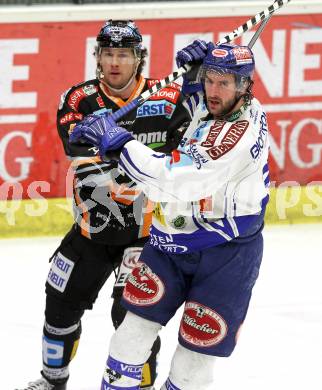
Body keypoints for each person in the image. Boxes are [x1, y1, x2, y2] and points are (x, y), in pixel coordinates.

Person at [69, 39, 270, 389]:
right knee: (129, 337)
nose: (213, 90)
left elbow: (176, 180)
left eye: (224, 82)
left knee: (193, 364)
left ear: (245, 87)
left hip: (225, 253)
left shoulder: (239, 132)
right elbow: (194, 117)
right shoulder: (219, 103)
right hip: (169, 243)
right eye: (210, 78)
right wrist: (192, 79)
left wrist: (118, 141)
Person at [15, 20, 191, 390]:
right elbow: (76, 147)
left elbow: (187, 151)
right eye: (108, 53)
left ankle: (140, 387)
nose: (114, 62)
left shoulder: (168, 99)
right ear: (97, 56)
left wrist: (198, 79)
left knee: (131, 319)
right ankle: (53, 381)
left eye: (124, 54)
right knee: (59, 305)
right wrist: (133, 148)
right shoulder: (78, 99)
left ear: (138, 58)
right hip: (90, 230)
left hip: (143, 235)